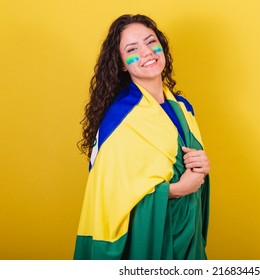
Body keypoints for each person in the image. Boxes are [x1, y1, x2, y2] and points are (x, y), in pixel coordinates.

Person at [74, 14, 211, 260]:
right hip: (150, 243)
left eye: (151, 42)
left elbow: (184, 165)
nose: (147, 52)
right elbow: (110, 198)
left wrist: (202, 167)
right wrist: (176, 190)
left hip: (186, 233)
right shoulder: (120, 120)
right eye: (132, 49)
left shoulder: (183, 108)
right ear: (122, 64)